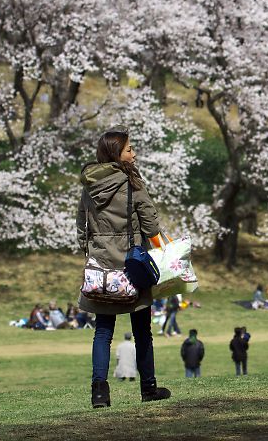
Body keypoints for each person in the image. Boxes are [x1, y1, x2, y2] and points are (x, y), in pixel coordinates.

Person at [77, 126, 171, 408]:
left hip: (102, 267)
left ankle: (99, 394)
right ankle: (148, 388)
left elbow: (82, 229)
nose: (134, 154)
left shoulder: (89, 185)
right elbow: (151, 225)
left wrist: (94, 252)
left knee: (103, 332)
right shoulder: (131, 182)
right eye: (129, 149)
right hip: (133, 266)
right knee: (142, 330)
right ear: (116, 154)